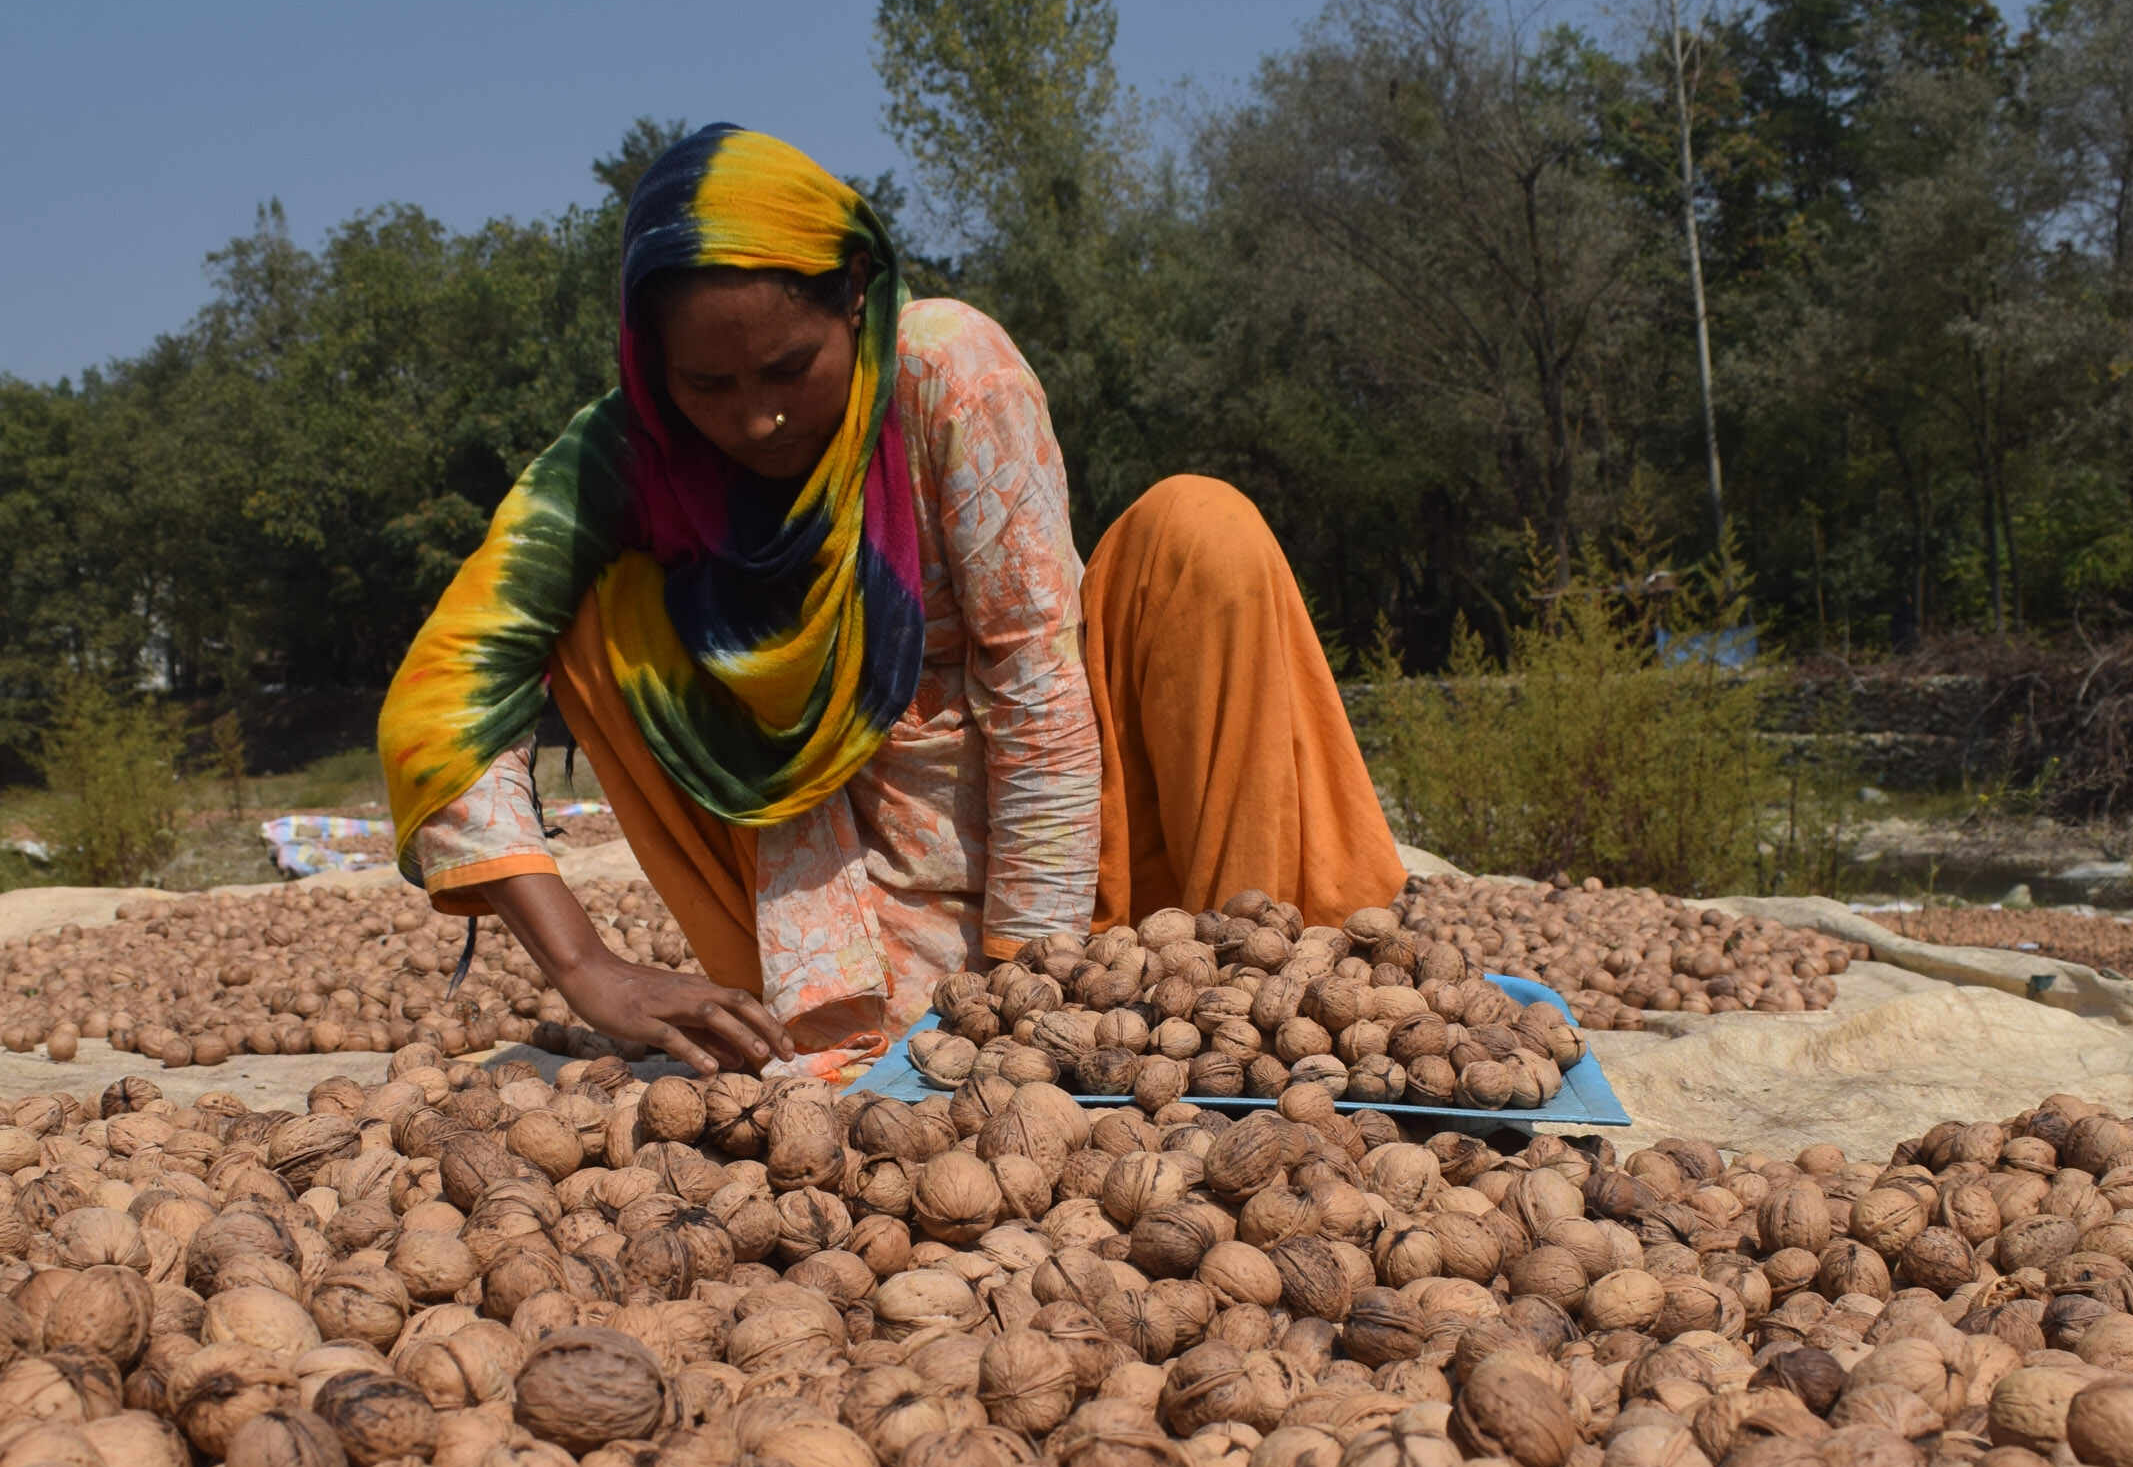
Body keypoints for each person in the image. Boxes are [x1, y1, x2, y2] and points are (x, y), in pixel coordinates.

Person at [379, 121, 1403, 1075]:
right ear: (656, 367)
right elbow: (442, 698)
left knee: (1202, 530)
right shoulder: (621, 459)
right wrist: (584, 967)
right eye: (707, 386)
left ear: (858, 292)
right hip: (829, 885)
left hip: (1091, 861)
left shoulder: (947, 373)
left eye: (789, 368)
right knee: (601, 605)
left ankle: (1264, 985)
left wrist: (1029, 990)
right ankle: (839, 1001)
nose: (757, 420)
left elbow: (1038, 692)